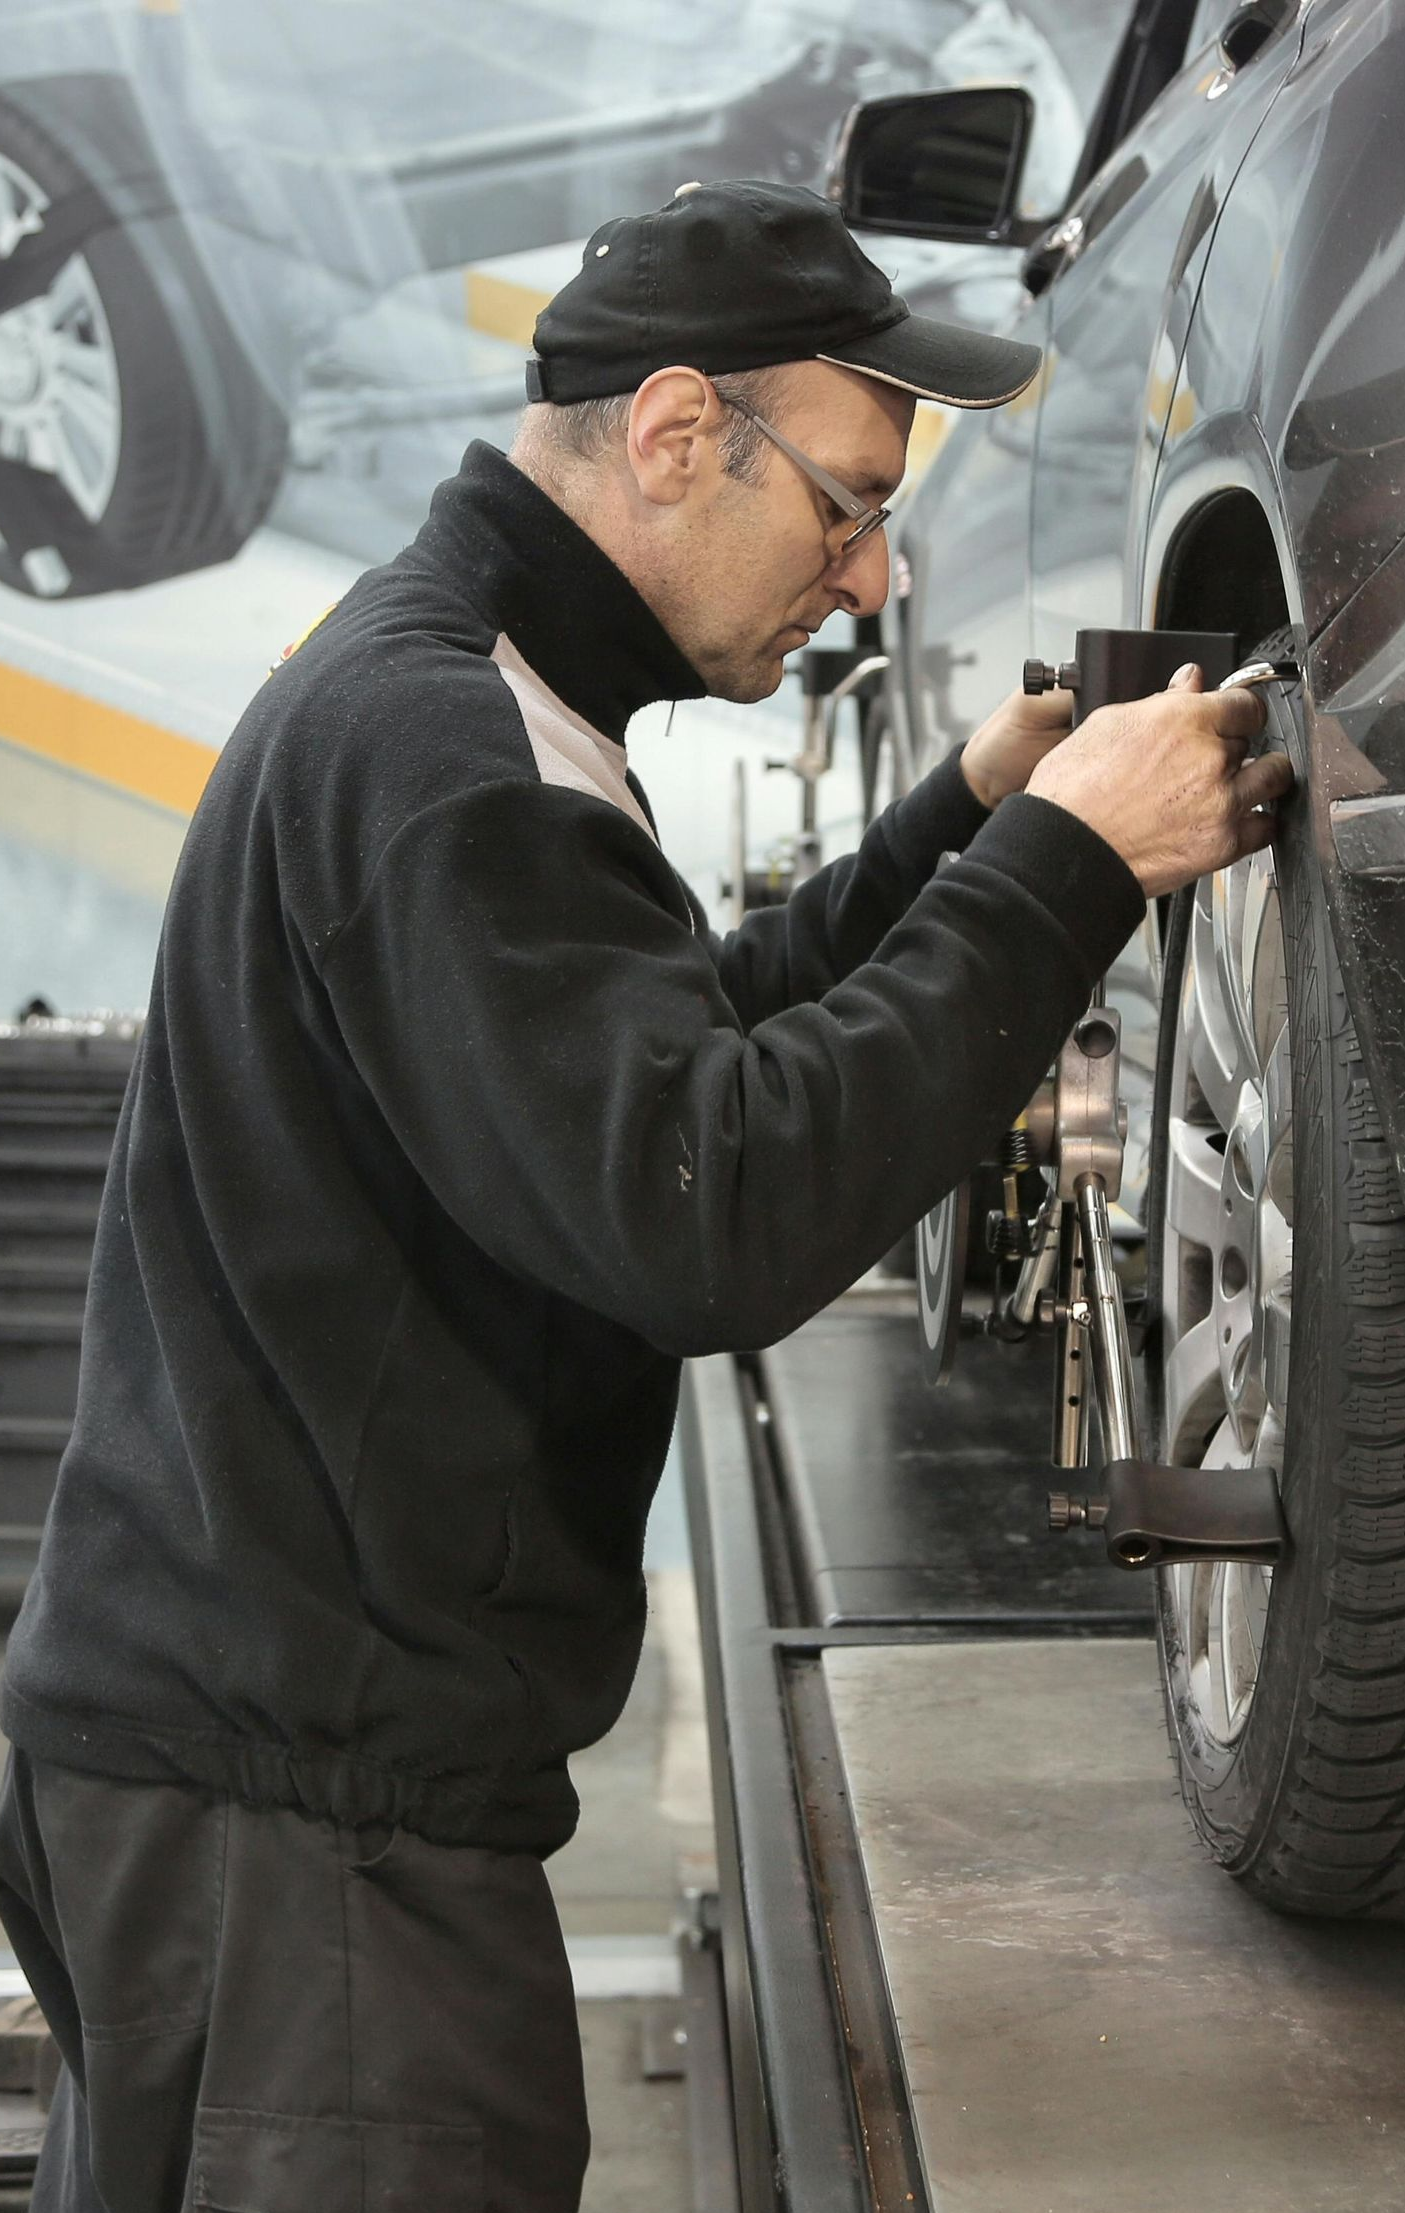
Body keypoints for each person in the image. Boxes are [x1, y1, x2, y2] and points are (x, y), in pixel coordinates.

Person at [0, 179, 1289, 2211]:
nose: (869, 581)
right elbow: (706, 1200)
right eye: (848, 506)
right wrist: (1074, 868)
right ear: (681, 430)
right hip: (300, 1837)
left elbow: (660, 1061)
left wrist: (965, 822)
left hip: (274, 1785)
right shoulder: (444, 750)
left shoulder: (482, 702)